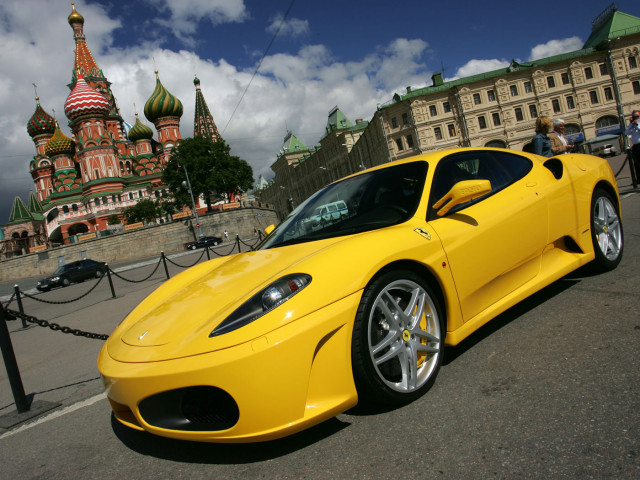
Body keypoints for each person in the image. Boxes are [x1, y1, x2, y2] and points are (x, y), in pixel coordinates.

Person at [624, 109, 640, 177]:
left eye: (637, 116)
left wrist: (637, 124)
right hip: (636, 146)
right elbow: (626, 132)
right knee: (636, 163)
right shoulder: (632, 125)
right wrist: (631, 124)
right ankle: (638, 178)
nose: (636, 118)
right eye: (634, 116)